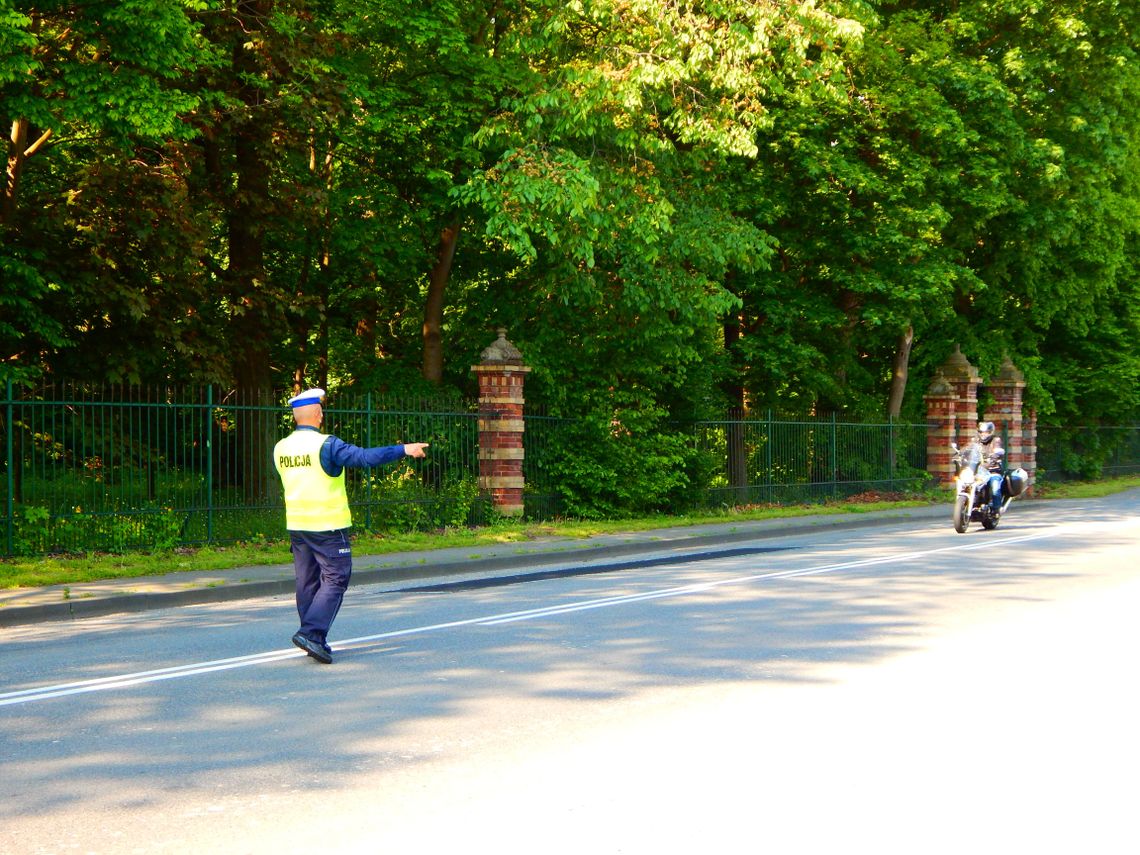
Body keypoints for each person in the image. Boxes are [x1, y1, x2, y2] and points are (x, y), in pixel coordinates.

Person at [273, 388, 428, 664]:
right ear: (319, 414)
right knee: (336, 578)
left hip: (297, 524)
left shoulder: (281, 447)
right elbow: (365, 458)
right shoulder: (327, 445)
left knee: (307, 581)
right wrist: (404, 449)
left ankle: (313, 636)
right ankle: (312, 633)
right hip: (328, 525)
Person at [975, 421, 1005, 514]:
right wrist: (960, 456)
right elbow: (968, 450)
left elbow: (998, 451)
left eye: (986, 432)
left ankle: (996, 509)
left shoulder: (996, 441)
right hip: (979, 472)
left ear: (991, 432)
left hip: (993, 471)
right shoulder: (975, 441)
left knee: (995, 488)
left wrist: (995, 456)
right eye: (982, 432)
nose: (984, 435)